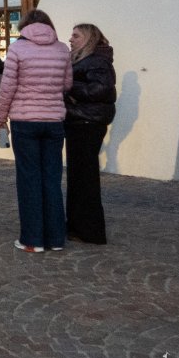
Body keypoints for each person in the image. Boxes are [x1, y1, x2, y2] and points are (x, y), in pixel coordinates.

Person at [0, 10, 73, 254]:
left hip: (25, 122)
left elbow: (7, 87)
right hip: (54, 121)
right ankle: (56, 238)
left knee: (29, 179)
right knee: (51, 179)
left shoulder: (18, 48)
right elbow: (67, 84)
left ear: (25, 26)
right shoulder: (61, 49)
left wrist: (0, 118)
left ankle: (32, 239)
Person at [64, 23, 117, 245]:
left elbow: (100, 90)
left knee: (85, 179)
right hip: (80, 120)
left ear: (88, 38)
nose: (70, 39)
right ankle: (78, 227)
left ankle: (90, 230)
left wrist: (68, 85)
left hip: (87, 122)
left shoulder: (97, 61)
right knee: (78, 177)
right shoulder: (87, 60)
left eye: (75, 35)